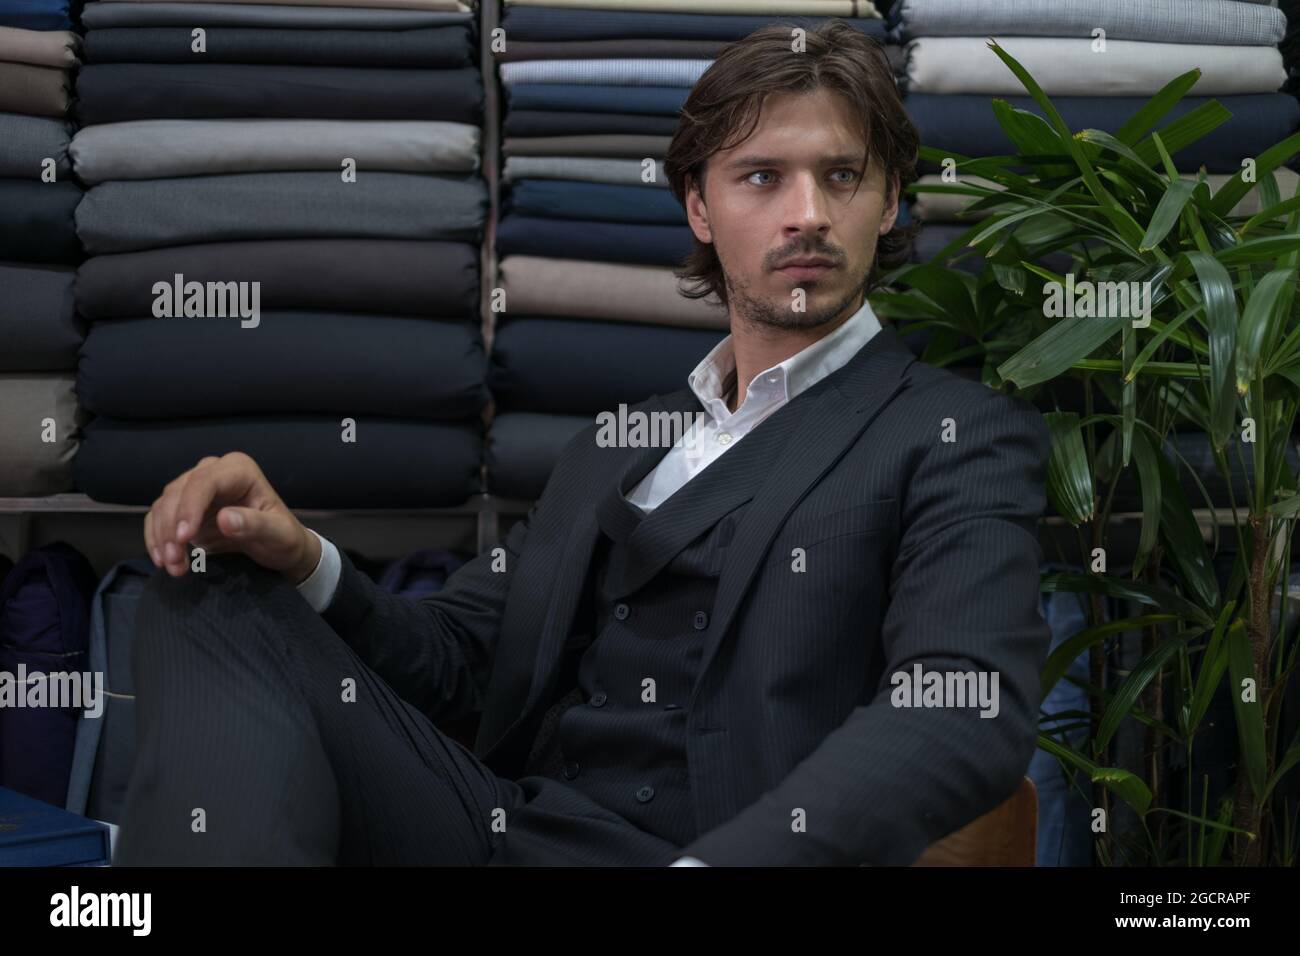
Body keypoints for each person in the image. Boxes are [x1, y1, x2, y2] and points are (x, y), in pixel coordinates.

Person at [117, 21, 1053, 866]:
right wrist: (303, 560)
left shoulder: (953, 435)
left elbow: (959, 706)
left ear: (888, 204)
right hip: (502, 828)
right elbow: (452, 662)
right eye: (762, 177)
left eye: (842, 176)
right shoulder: (621, 441)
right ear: (699, 208)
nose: (806, 212)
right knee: (209, 582)